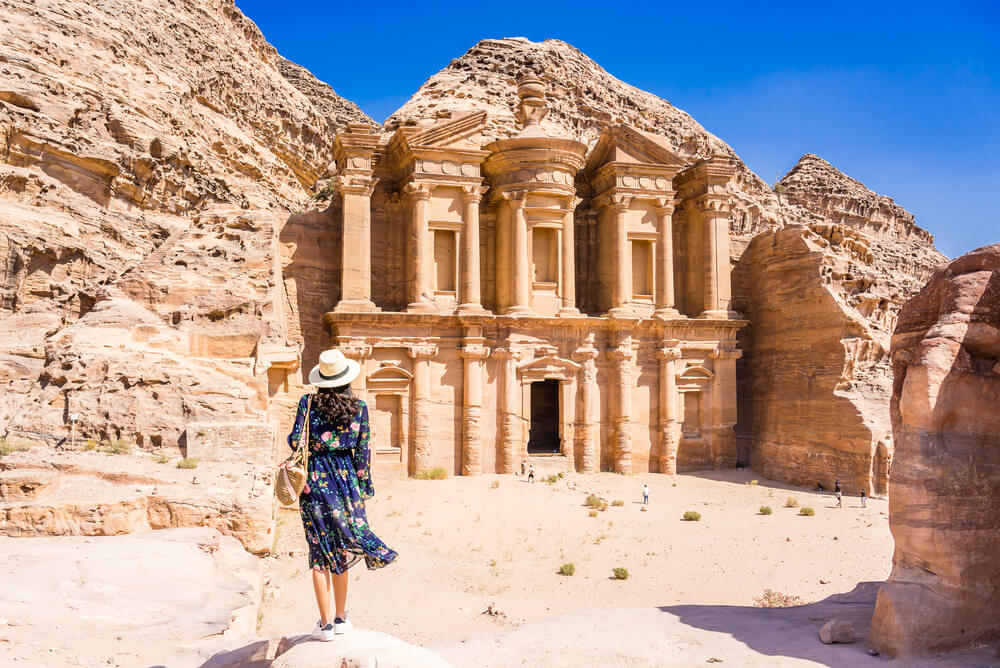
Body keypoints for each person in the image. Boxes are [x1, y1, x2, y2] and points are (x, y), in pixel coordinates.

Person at [284, 349, 398, 642]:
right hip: (346, 480)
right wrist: (363, 488)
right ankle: (341, 617)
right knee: (342, 549)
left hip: (314, 481)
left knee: (320, 551)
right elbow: (363, 452)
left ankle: (324, 626)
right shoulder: (359, 407)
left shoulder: (307, 403)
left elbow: (296, 440)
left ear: (321, 378)